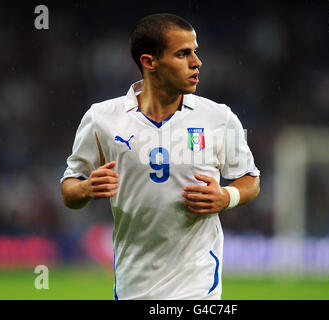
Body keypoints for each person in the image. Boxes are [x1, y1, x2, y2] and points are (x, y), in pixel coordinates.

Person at [60, 13, 260, 300]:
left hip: (198, 286)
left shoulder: (218, 117)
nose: (196, 62)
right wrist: (85, 188)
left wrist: (227, 196)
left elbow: (250, 179)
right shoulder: (102, 118)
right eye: (182, 54)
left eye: (195, 51)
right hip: (133, 285)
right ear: (149, 62)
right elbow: (69, 190)